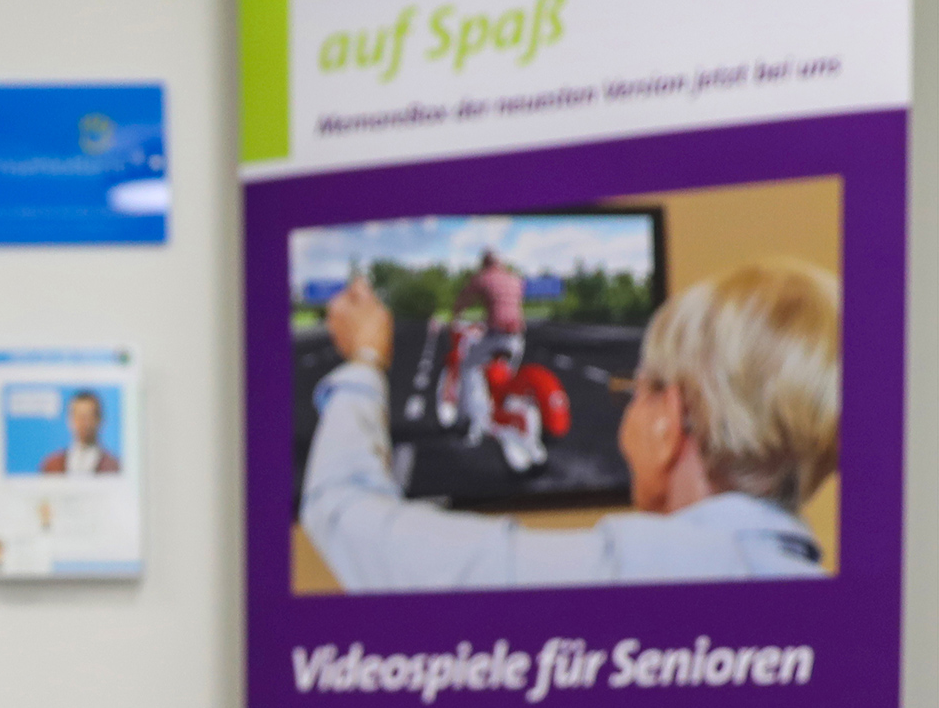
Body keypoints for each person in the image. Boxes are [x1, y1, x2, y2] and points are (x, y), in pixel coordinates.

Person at [302, 258, 837, 591]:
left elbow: (341, 511)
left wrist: (366, 357)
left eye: (638, 388)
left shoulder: (613, 575)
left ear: (668, 420)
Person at [446, 248, 529, 432]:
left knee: (468, 367)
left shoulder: (483, 278)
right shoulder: (514, 279)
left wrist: (454, 318)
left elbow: (463, 301)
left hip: (495, 337)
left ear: (484, 263)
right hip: (516, 338)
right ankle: (504, 413)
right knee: (506, 378)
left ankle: (467, 420)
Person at [37, 390, 121, 475]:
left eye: (88, 416)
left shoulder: (114, 467)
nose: (83, 423)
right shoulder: (52, 466)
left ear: (99, 419)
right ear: (69, 419)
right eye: (78, 416)